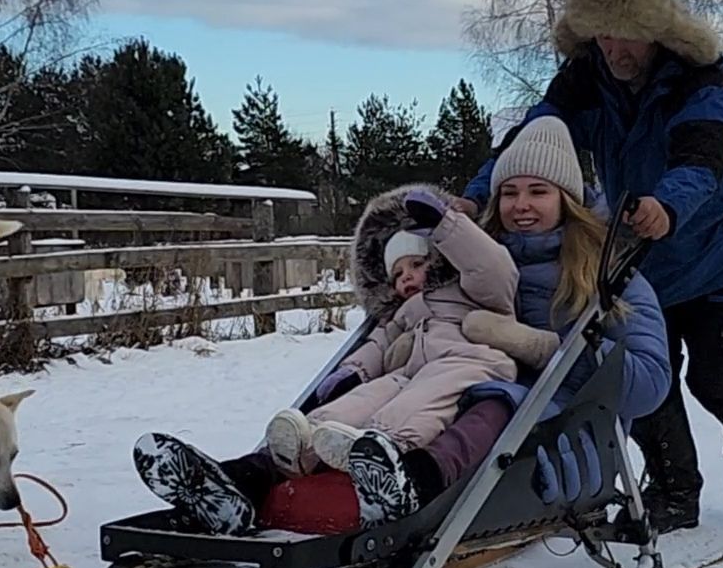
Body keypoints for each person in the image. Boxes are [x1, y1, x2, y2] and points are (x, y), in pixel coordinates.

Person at [130, 116, 673, 536]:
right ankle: (242, 482)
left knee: (486, 401)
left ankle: (411, 478)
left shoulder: (605, 278)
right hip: (435, 379)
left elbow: (650, 382)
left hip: (547, 422)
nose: (520, 206)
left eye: (538, 192)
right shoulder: (457, 261)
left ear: (569, 200)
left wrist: (543, 349)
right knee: (348, 405)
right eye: (509, 192)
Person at [455, 0, 723, 531]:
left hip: (713, 245)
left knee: (715, 374)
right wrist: (476, 196)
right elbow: (532, 137)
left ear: (655, 30)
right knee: (638, 368)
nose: (612, 48)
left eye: (624, 34)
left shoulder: (699, 75)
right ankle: (675, 492)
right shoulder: (587, 77)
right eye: (600, 34)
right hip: (638, 247)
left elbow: (704, 154)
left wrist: (668, 205)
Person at [135, 183, 519, 531]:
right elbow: (378, 346)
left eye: (416, 264)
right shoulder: (400, 315)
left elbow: (492, 266)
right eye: (397, 273)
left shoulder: (471, 290)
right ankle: (244, 477)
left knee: (419, 399)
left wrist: (448, 228)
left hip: (469, 363)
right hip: (408, 372)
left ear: (441, 260)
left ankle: (387, 452)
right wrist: (352, 372)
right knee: (353, 404)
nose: (406, 278)